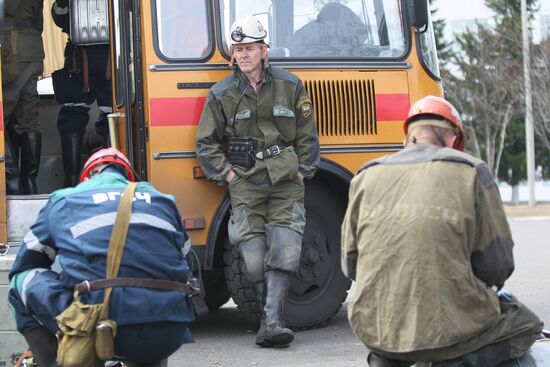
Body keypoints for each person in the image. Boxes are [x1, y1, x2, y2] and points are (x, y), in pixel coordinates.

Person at [341, 95, 544, 367]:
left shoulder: (365, 175)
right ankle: (457, 361)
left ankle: (386, 360)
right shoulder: (471, 171)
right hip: (452, 334)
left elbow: (350, 265)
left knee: (397, 339)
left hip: (376, 328)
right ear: (452, 141)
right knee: (526, 324)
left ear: (408, 137)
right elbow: (497, 266)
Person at [196, 15, 320, 348]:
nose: (244, 55)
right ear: (233, 54)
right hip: (245, 180)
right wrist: (229, 174)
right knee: (253, 257)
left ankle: (273, 322)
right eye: (238, 49)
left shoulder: (290, 85)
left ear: (264, 50)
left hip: (284, 177)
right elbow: (205, 143)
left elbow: (308, 135)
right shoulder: (221, 94)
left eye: (250, 48)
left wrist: (302, 170)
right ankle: (270, 322)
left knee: (286, 248)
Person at [8, 148, 196, 367]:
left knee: (20, 280)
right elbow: (187, 261)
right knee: (160, 286)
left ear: (89, 176)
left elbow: (27, 261)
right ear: (129, 178)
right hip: (168, 332)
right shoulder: (164, 201)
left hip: (99, 325)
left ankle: (56, 361)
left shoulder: (65, 199)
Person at [51, 0, 113, 187]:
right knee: (111, 116)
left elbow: (60, 18)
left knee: (73, 117)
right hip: (108, 60)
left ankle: (71, 182)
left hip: (81, 60)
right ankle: (111, 176)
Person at [1, 0, 45, 194]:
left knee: (2, 116)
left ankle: (12, 183)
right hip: (33, 47)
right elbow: (39, 21)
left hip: (10, 48)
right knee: (29, 119)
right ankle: (29, 185)